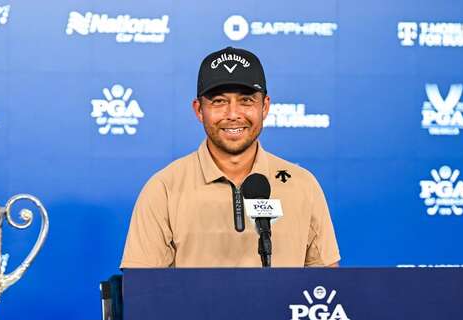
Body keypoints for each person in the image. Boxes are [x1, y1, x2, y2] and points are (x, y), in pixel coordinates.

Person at [121, 46, 340, 268]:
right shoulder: (164, 188)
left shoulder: (302, 185)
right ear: (199, 110)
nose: (233, 114)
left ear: (264, 107)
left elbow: (326, 287)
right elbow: (142, 292)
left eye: (246, 101)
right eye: (219, 101)